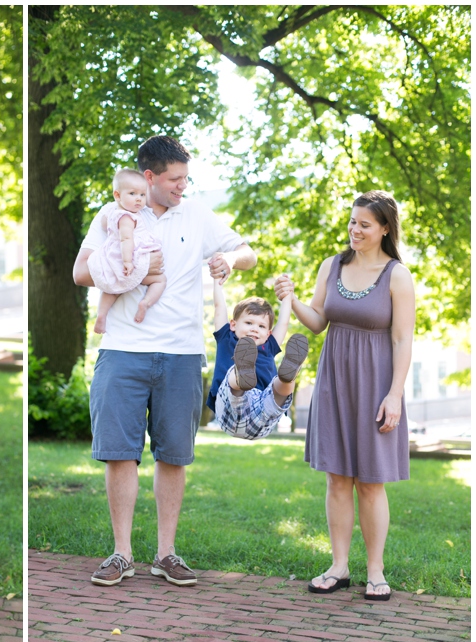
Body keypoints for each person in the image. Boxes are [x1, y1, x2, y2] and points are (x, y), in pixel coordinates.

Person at [73, 136, 257, 587]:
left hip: (181, 352)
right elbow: (79, 272)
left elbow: (249, 252)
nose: (182, 187)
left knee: (173, 456)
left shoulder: (195, 214)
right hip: (121, 349)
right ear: (149, 177)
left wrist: (229, 260)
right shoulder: (113, 214)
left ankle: (167, 554)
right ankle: (121, 555)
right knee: (120, 455)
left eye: (186, 179)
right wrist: (124, 262)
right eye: (175, 179)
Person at [274, 190, 415, 601]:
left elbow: (403, 339)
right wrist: (292, 300)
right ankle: (338, 567)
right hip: (335, 379)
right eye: (352, 222)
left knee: (371, 481)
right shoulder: (331, 265)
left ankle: (376, 571)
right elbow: (318, 322)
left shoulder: (397, 275)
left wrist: (395, 395)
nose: (355, 230)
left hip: (377, 382)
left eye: (364, 224)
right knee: (338, 478)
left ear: (385, 228)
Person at [208, 277, 309, 440]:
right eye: (249, 323)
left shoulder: (269, 345)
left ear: (269, 332)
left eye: (261, 326)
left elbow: (283, 323)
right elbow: (219, 306)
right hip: (230, 411)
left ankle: (288, 375)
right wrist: (217, 282)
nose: (255, 329)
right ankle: (243, 375)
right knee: (234, 377)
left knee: (279, 387)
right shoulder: (226, 337)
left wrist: (287, 297)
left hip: (261, 411)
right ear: (233, 325)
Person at [88, 168, 166, 333]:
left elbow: (105, 225)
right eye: (132, 194)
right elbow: (126, 239)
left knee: (111, 288)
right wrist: (128, 262)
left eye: (142, 195)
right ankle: (146, 302)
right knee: (160, 279)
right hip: (130, 258)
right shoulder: (127, 217)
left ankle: (101, 315)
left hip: (115, 257)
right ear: (117, 195)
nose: (138, 199)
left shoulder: (113, 214)